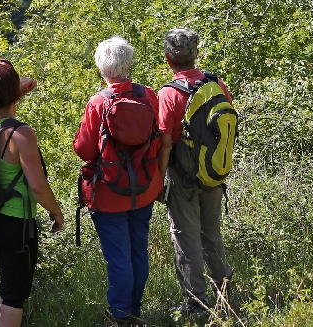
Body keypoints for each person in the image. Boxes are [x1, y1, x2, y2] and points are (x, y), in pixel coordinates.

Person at [74, 37, 163, 327]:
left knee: (119, 255)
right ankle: (132, 308)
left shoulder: (98, 102)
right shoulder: (148, 95)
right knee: (138, 249)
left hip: (109, 192)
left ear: (102, 68)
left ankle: (121, 315)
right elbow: (159, 139)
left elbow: (85, 150)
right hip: (144, 187)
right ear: (128, 64)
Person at [0, 58, 64, 327]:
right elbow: (37, 186)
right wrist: (57, 212)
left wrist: (19, 89)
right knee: (15, 294)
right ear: (13, 93)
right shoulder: (21, 134)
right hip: (17, 222)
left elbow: (0, 103)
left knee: (8, 288)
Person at [156, 28, 234, 317]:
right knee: (211, 234)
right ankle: (224, 293)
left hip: (183, 178)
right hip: (214, 174)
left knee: (186, 238)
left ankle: (196, 304)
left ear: (168, 58)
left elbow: (165, 143)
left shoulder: (169, 93)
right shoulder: (216, 84)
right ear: (196, 54)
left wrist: (158, 179)